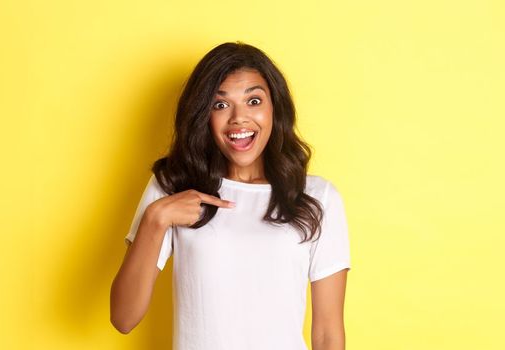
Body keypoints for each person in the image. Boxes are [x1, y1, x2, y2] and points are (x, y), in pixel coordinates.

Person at [110, 41, 351, 350]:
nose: (239, 118)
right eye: (220, 104)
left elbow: (328, 335)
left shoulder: (318, 198)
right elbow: (123, 318)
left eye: (253, 101)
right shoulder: (173, 186)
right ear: (203, 115)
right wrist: (155, 219)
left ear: (274, 108)